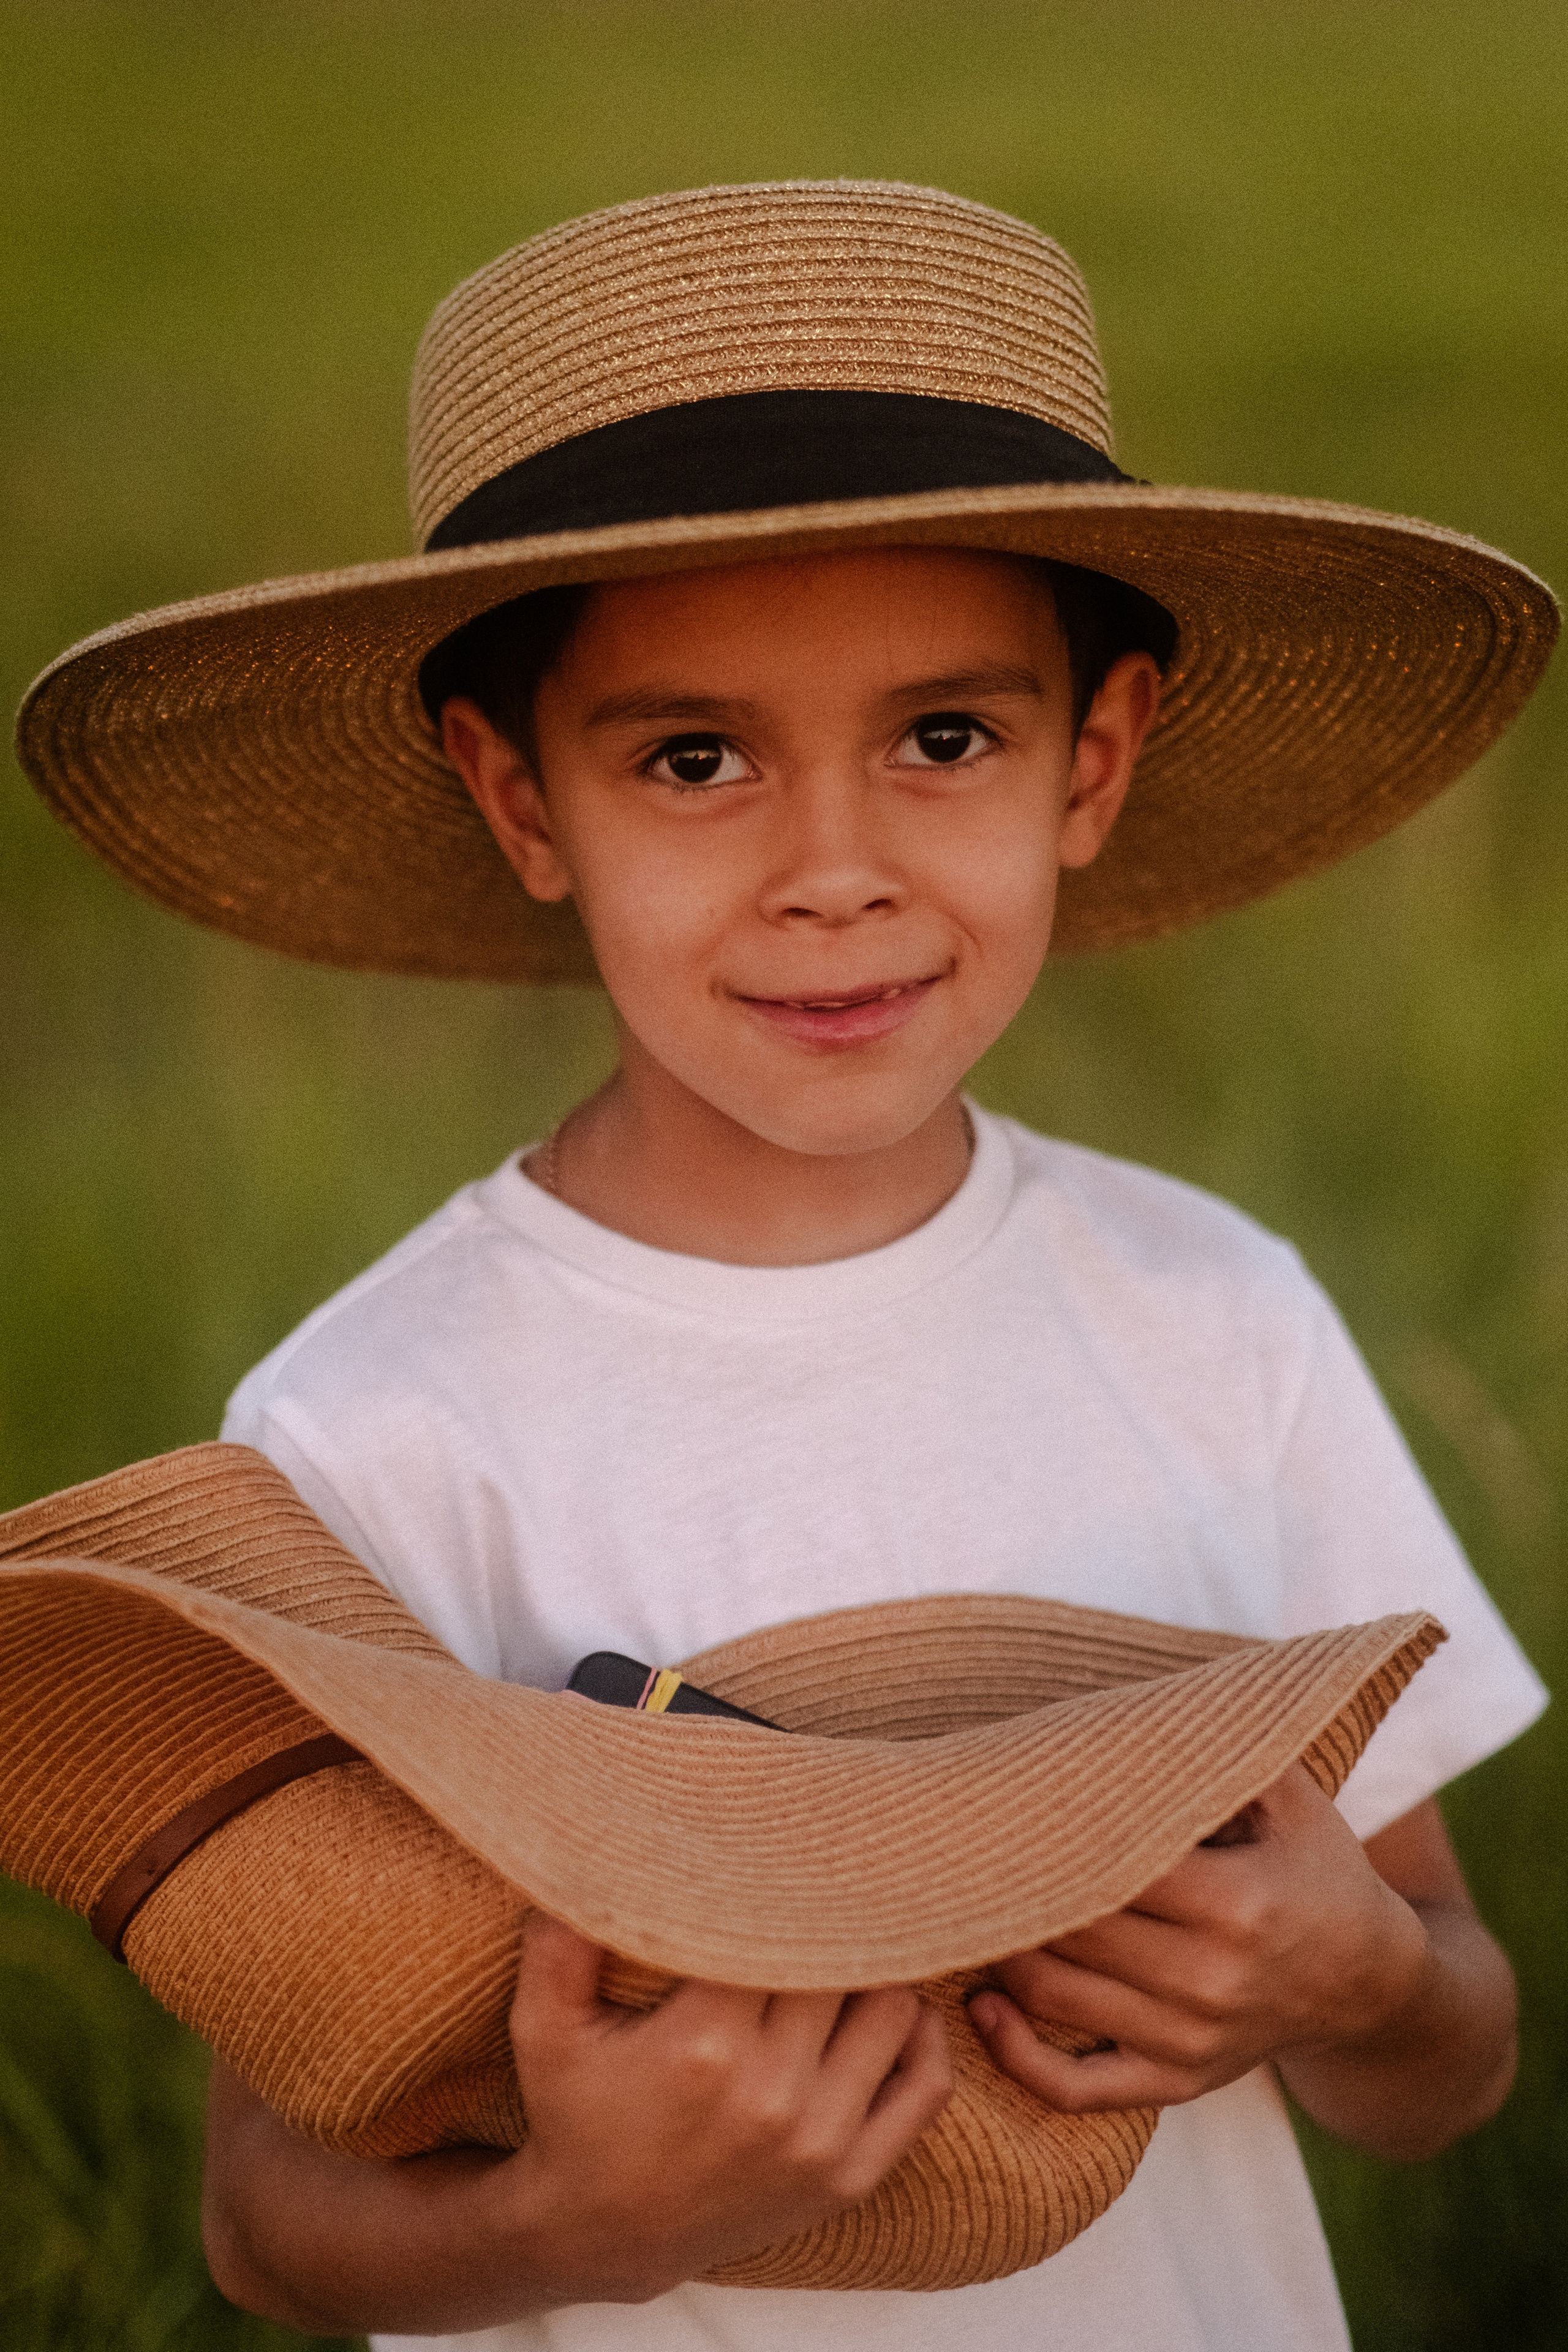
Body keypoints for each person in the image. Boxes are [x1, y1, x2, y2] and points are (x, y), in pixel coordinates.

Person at [16, 182, 1554, 2351]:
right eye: (694, 759)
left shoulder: (1215, 1313)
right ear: (522, 800)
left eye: (946, 739)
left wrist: (1356, 1984)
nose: (835, 875)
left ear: (1089, 764)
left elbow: (1446, 2062)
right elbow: (271, 2218)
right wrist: (584, 2217)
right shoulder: (379, 1430)